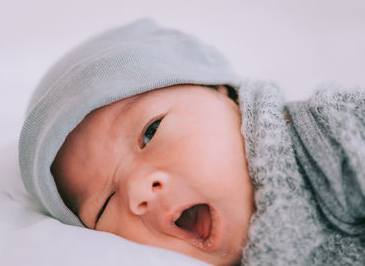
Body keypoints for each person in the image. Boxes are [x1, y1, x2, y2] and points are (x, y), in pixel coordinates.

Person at [19, 19, 365, 265]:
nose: (139, 191)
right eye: (104, 205)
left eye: (151, 131)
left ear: (223, 94)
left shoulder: (331, 130)